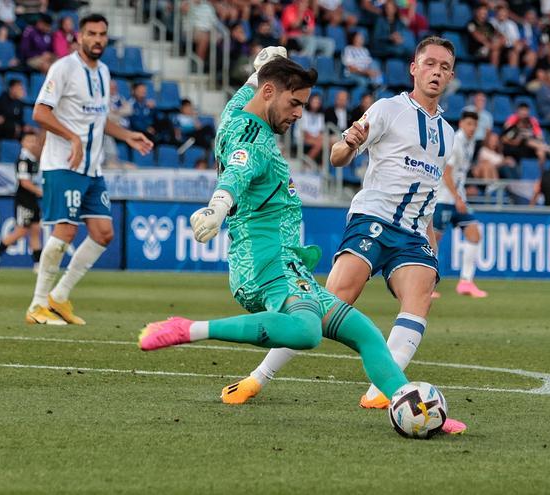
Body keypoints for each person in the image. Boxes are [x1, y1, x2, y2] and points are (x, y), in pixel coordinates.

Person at [138, 52, 419, 432]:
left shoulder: (237, 113)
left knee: (365, 332)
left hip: (288, 266)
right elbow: (237, 173)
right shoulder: (252, 140)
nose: (300, 113)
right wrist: (217, 209)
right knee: (305, 331)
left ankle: (413, 408)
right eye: (295, 103)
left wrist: (264, 64)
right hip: (265, 265)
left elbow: (251, 87)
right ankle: (189, 328)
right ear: (271, 93)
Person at [220, 37, 467, 435]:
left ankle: (382, 392)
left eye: (444, 66)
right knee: (329, 301)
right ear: (414, 68)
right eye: (430, 64)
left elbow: (430, 193)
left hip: (413, 233)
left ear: (451, 75)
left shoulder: (448, 134)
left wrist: (432, 241)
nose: (437, 72)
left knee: (419, 296)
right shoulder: (389, 109)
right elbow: (337, 155)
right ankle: (258, 378)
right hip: (373, 218)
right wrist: (349, 142)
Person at [25, 14, 153, 325]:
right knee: (66, 230)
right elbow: (40, 112)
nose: (97, 39)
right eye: (91, 34)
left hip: (92, 169)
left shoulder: (104, 72)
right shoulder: (64, 68)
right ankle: (37, 305)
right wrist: (71, 137)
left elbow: (98, 119)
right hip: (63, 164)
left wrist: (127, 135)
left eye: (102, 34)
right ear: (79, 37)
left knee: (103, 232)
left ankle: (59, 297)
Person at [432, 110, 486, 298]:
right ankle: (425, 285)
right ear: (462, 123)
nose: (472, 128)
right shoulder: (455, 141)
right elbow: (446, 173)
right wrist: (457, 197)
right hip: (444, 199)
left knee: (474, 233)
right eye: (469, 124)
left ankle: (466, 282)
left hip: (457, 197)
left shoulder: (470, 144)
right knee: (432, 241)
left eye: (474, 125)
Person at [0, 132, 45, 273]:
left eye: (34, 141)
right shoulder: (23, 160)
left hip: (32, 199)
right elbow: (24, 183)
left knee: (36, 230)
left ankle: (38, 264)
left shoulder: (33, 159)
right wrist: (41, 192)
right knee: (22, 230)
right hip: (24, 199)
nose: (32, 143)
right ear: (22, 143)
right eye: (29, 140)